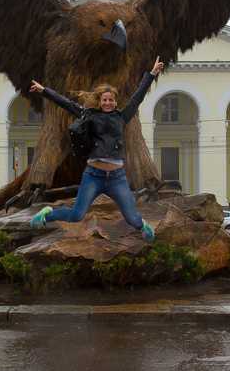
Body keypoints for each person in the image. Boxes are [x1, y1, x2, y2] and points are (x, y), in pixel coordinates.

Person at [28, 56, 165, 242]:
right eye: (105, 100)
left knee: (132, 218)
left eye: (111, 100)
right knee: (77, 215)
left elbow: (138, 96)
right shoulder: (89, 115)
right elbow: (66, 104)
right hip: (94, 175)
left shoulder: (122, 117)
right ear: (100, 102)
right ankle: (48, 214)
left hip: (117, 178)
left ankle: (143, 226)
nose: (108, 102)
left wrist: (152, 73)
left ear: (115, 102)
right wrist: (44, 91)